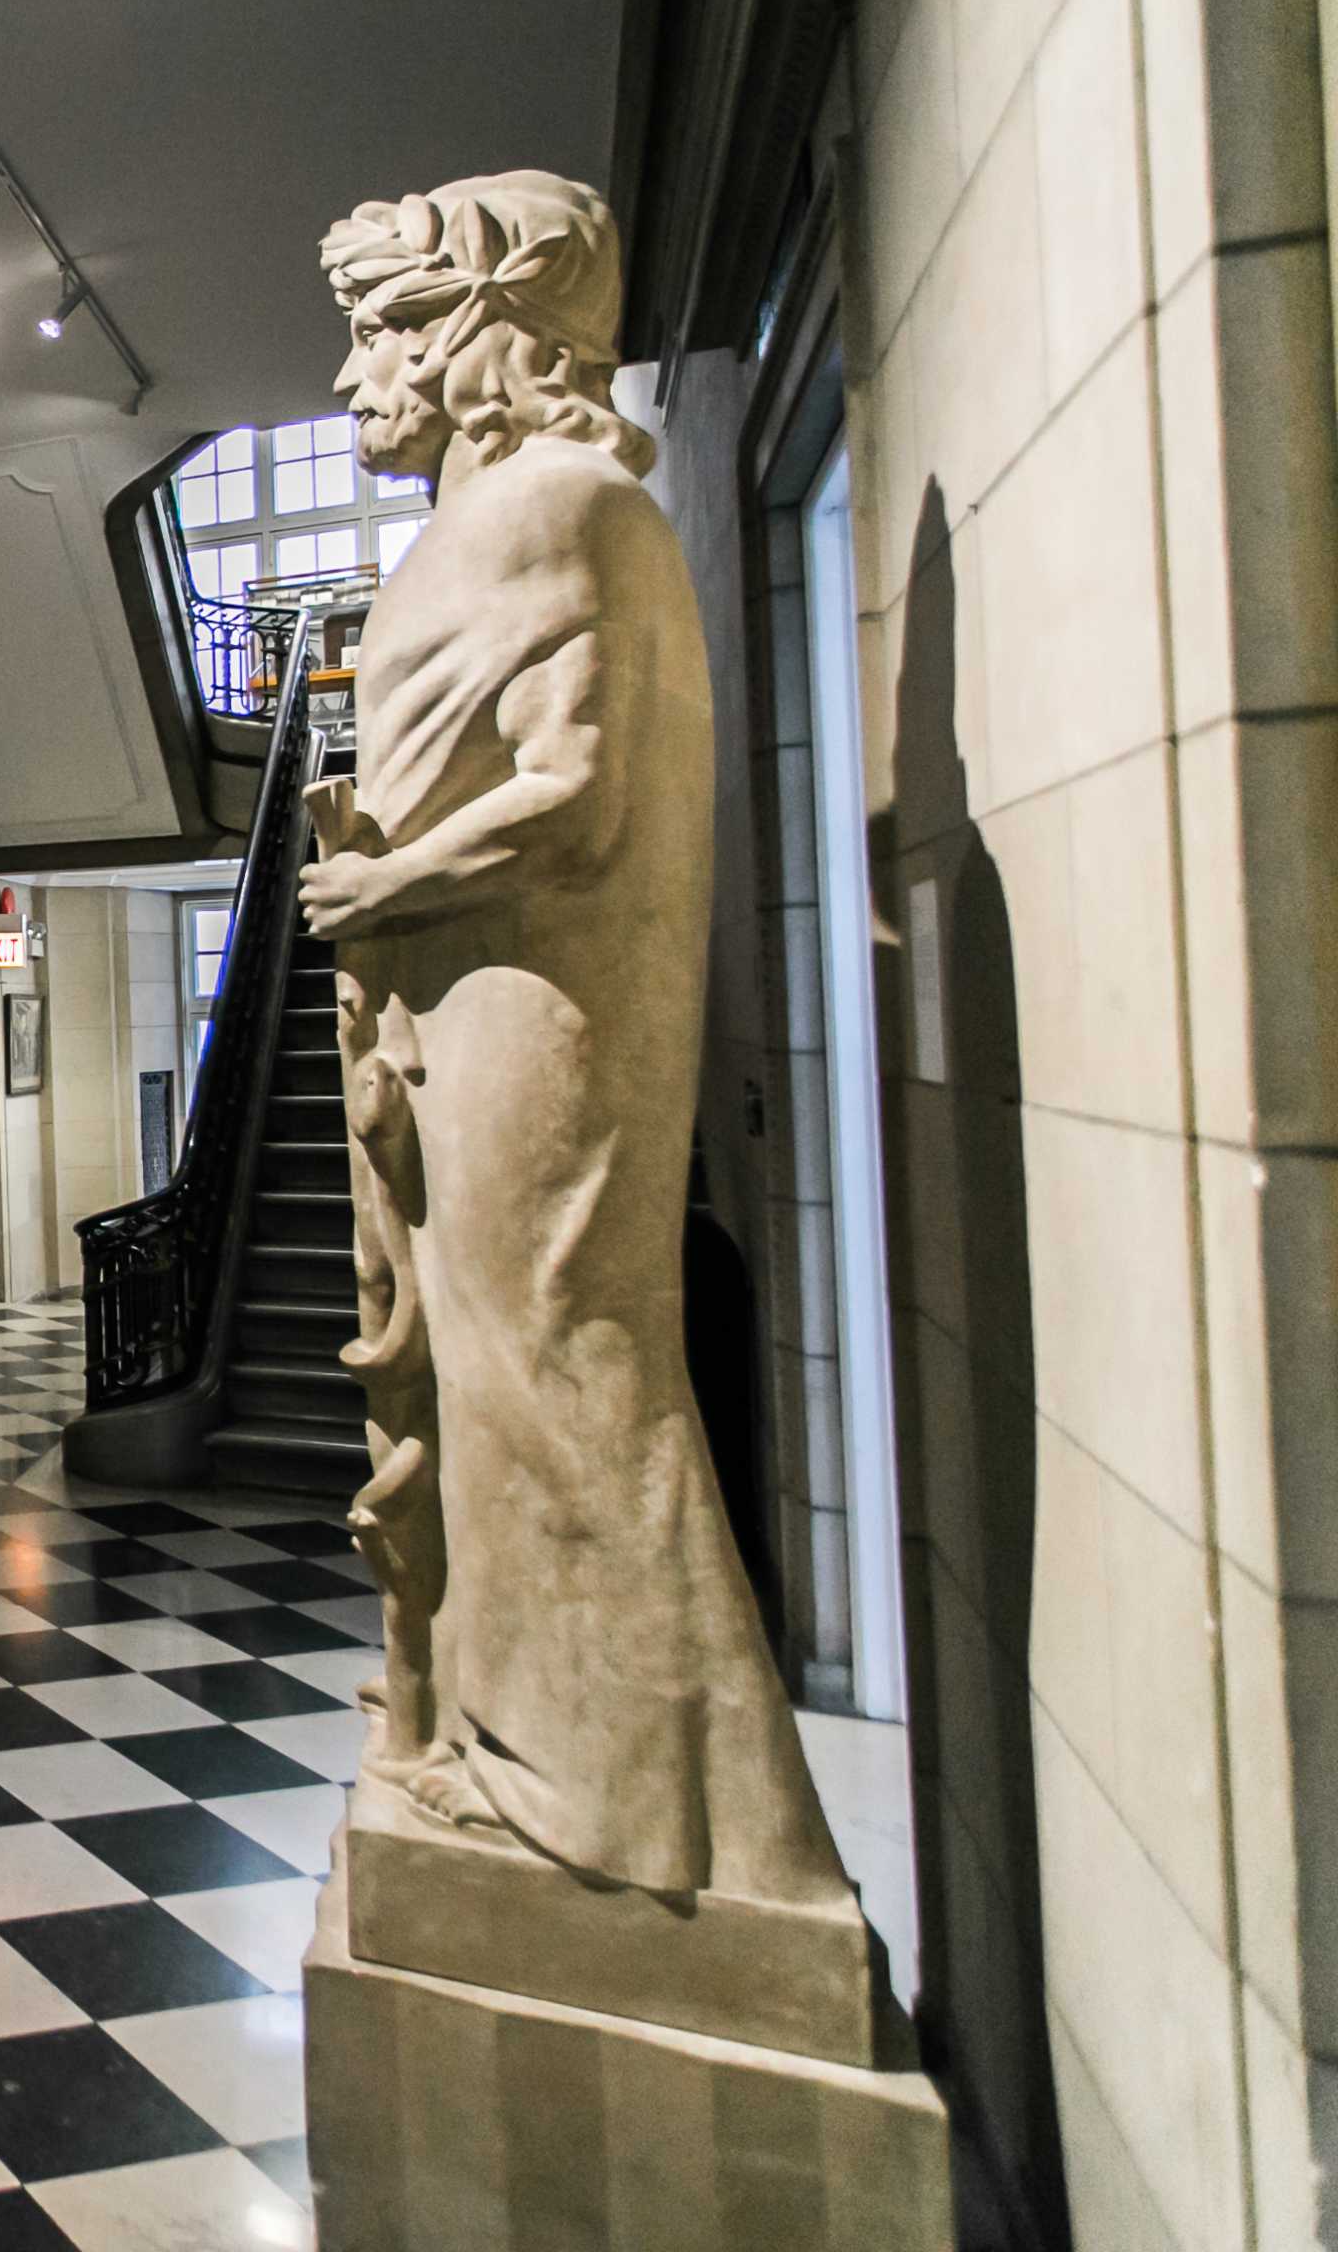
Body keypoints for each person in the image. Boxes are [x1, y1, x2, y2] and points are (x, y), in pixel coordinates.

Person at [301, 170, 841, 1908]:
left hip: (533, 1002)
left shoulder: (566, 508)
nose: (351, 373)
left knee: (560, 1365)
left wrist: (387, 871)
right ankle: (521, 1753)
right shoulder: (508, 519)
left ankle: (665, 1819)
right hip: (462, 998)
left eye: (385, 326)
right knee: (490, 1372)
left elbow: (577, 795)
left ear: (492, 334)